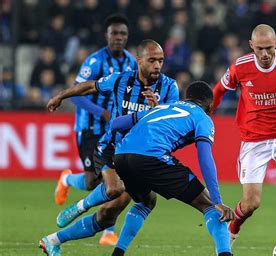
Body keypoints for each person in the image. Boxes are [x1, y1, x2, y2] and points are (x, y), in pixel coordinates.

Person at [39, 39, 179, 256]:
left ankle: (52, 240)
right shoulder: (120, 80)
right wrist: (61, 95)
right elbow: (89, 86)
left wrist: (157, 109)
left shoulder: (170, 87)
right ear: (139, 59)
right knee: (115, 189)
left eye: (160, 60)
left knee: (108, 214)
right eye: (152, 60)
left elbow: (173, 124)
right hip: (111, 148)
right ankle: (80, 206)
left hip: (140, 156)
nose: (157, 65)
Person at [212, 24, 276, 245]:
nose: (265, 54)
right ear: (251, 46)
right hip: (254, 140)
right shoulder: (241, 66)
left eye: (269, 47)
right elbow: (219, 90)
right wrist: (206, 113)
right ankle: (233, 229)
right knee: (251, 204)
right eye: (260, 48)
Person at [110, 81, 234, 256]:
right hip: (151, 157)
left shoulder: (163, 107)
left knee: (146, 201)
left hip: (121, 156)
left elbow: (116, 124)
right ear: (209, 104)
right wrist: (217, 199)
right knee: (210, 206)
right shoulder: (202, 117)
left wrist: (123, 147)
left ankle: (117, 254)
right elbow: (205, 157)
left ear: (187, 97)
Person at [54, 13, 136, 245]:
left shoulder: (131, 62)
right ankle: (68, 180)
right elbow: (77, 95)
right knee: (93, 182)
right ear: (107, 36)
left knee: (113, 179)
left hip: (115, 131)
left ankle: (108, 232)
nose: (118, 37)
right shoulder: (94, 61)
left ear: (127, 37)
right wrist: (102, 112)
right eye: (114, 33)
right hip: (90, 128)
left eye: (122, 34)